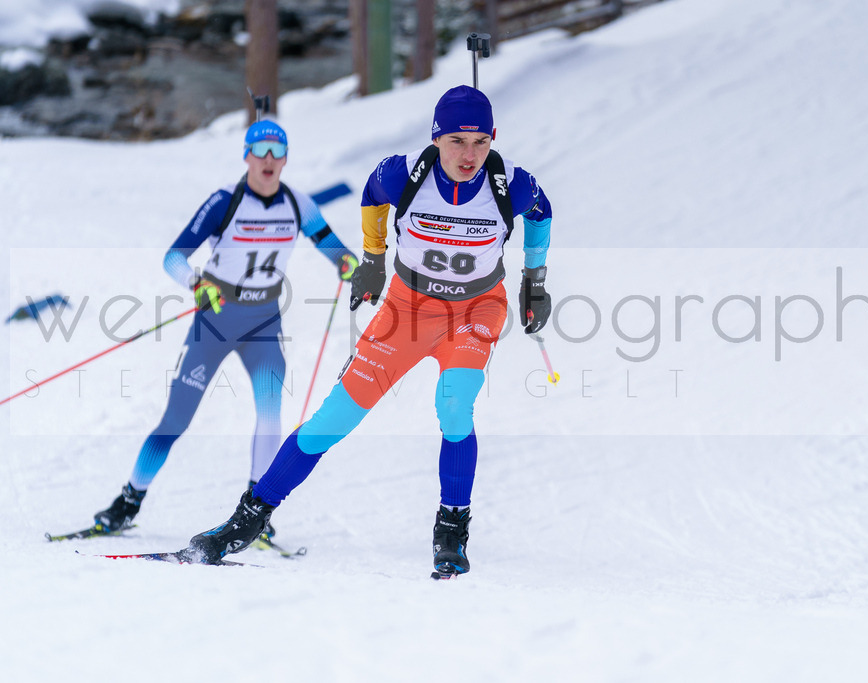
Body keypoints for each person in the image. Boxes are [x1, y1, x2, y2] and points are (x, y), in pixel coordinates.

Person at [182, 85, 554, 576]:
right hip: (406, 309)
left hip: (474, 310)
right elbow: (372, 195)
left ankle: (451, 530)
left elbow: (541, 214)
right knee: (331, 421)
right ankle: (247, 520)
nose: (470, 154)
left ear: (493, 139)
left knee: (454, 405)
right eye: (458, 141)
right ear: (437, 138)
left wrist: (534, 281)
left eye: (481, 142)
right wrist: (374, 259)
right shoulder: (404, 176)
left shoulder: (511, 185)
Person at [91, 119, 358, 538]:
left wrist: (346, 263)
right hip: (215, 323)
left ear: (286, 158)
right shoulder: (224, 202)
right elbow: (173, 258)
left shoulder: (299, 204)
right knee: (176, 418)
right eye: (260, 151)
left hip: (264, 322)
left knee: (270, 415)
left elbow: (329, 244)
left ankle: (257, 512)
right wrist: (196, 283)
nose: (268, 160)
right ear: (247, 156)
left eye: (277, 152)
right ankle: (129, 500)